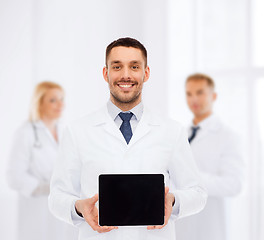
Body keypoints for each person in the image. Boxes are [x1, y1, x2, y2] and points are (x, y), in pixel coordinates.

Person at [48, 37, 207, 240]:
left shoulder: (171, 131)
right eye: (117, 67)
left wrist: (172, 201)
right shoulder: (77, 131)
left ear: (145, 73)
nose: (125, 75)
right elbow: (56, 198)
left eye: (134, 67)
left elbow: (198, 193)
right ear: (106, 73)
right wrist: (79, 207)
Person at [175, 73, 245, 240]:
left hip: (209, 224)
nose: (194, 99)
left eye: (200, 92)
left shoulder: (228, 136)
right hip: (181, 221)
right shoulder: (180, 134)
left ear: (213, 96)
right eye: (189, 93)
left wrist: (193, 181)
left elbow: (234, 184)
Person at [6, 81, 78, 240]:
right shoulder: (25, 133)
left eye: (62, 99)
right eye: (53, 100)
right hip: (36, 208)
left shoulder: (65, 131)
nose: (60, 104)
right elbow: (14, 176)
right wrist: (42, 188)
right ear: (39, 104)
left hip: (61, 206)